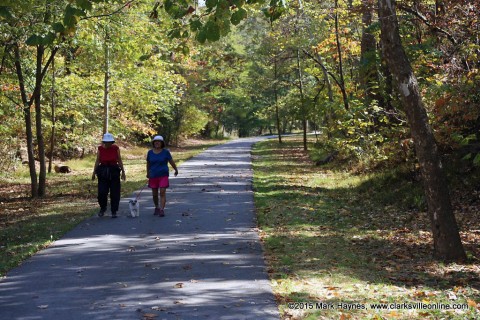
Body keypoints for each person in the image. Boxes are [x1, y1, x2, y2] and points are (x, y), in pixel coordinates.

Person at [92, 133, 126, 218]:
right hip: (103, 171)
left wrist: (123, 172)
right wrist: (93, 172)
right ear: (104, 142)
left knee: (115, 192)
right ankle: (103, 207)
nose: (108, 144)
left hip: (114, 170)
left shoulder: (115, 148)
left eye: (109, 142)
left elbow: (119, 160)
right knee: (102, 192)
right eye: (106, 142)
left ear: (112, 142)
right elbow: (97, 161)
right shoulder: (100, 149)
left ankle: (114, 210)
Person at [146, 135, 178, 217]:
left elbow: (171, 161)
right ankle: (156, 207)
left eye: (159, 141)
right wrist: (148, 173)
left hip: (163, 175)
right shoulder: (150, 152)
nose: (157, 143)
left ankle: (162, 209)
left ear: (162, 143)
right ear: (153, 143)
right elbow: (148, 163)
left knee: (162, 192)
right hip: (153, 175)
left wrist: (175, 169)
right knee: (154, 194)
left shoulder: (166, 152)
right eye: (155, 141)